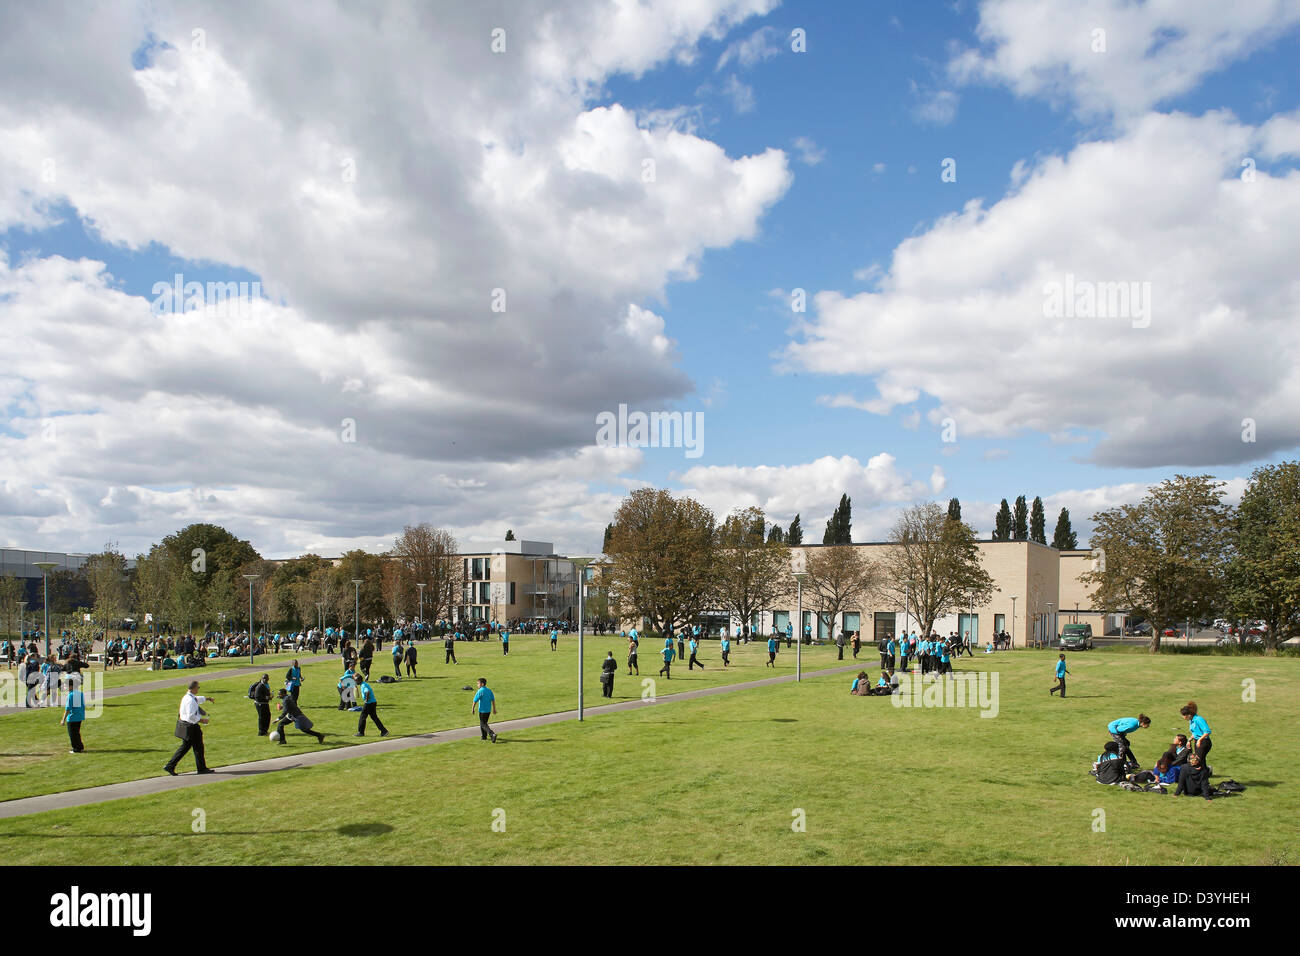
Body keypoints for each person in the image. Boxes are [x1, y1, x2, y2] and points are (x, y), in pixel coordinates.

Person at [164, 680, 215, 776]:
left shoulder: (188, 697)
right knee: (194, 747)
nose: (198, 689)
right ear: (194, 688)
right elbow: (191, 716)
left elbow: (197, 699)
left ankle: (172, 765)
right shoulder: (190, 701)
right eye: (198, 687)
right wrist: (201, 720)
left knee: (194, 747)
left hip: (188, 726)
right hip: (191, 726)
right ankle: (171, 765)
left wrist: (208, 698)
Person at [62, 681, 86, 753]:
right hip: (80, 716)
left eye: (66, 686)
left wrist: (63, 719)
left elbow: (68, 709)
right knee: (77, 733)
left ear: (71, 686)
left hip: (72, 717)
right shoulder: (81, 693)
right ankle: (80, 746)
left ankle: (76, 748)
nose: (65, 687)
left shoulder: (70, 695)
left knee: (72, 734)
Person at [472, 677, 498, 742]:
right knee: (483, 723)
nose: (477, 685)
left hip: (482, 711)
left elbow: (475, 700)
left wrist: (473, 708)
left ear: (482, 684)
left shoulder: (480, 691)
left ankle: (492, 734)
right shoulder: (489, 690)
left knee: (483, 724)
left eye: (478, 683)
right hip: (488, 710)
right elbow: (493, 700)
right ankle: (484, 737)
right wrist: (494, 709)